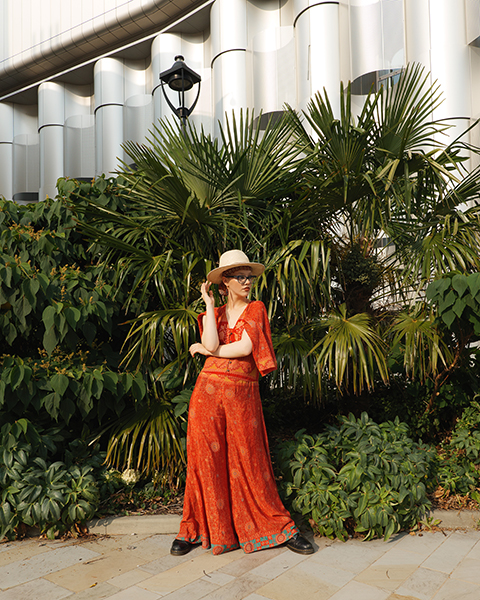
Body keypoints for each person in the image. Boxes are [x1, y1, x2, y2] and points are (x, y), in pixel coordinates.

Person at [170, 249, 314, 556]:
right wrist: (209, 306)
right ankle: (194, 530)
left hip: (241, 395)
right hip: (206, 395)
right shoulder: (217, 313)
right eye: (239, 276)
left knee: (250, 459)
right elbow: (211, 342)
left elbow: (245, 347)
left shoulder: (256, 309)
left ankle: (279, 528)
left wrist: (209, 351)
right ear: (225, 282)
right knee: (204, 463)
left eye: (248, 276)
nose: (247, 281)